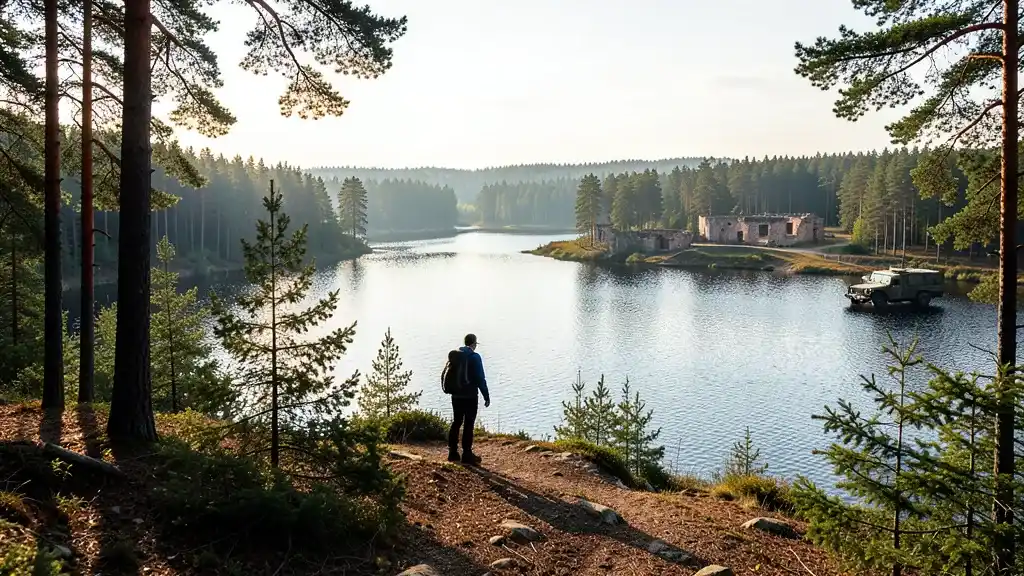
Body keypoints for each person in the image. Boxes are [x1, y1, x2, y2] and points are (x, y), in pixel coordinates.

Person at [448, 333, 490, 464]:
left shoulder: (456, 354)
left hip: (456, 395)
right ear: (474, 344)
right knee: (469, 423)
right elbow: (480, 378)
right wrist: (486, 395)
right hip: (470, 396)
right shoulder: (474, 357)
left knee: (456, 422)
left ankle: (453, 452)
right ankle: (467, 454)